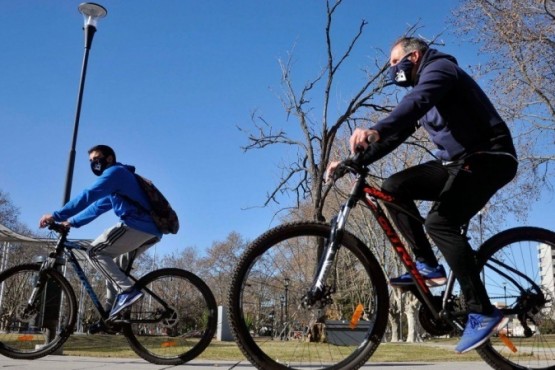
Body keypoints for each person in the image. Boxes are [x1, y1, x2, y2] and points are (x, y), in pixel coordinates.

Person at [326, 37, 518, 353]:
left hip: (489, 157)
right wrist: (353, 162)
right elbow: (397, 133)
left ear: (413, 56)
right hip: (458, 162)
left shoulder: (441, 69)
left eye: (393, 63)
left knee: (440, 223)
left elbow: (419, 100)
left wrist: (376, 127)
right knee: (393, 187)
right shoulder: (423, 92)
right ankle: (428, 265)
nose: (391, 71)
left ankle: (482, 311)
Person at [39, 145, 162, 333]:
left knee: (95, 251)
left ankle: (128, 292)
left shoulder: (115, 173)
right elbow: (97, 207)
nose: (94, 163)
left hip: (138, 225)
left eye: (97, 159)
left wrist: (55, 215)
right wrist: (70, 222)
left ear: (109, 158)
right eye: (90, 161)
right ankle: (111, 316)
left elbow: (88, 196)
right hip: (149, 230)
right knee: (113, 267)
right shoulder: (117, 183)